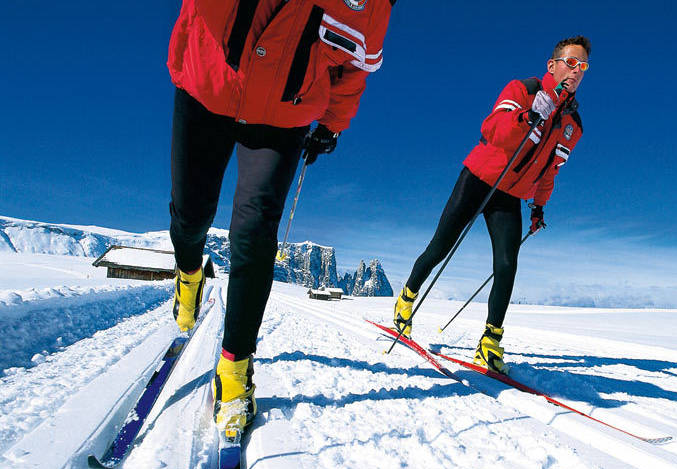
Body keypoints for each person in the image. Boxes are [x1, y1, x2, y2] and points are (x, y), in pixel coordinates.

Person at [167, 0, 395, 434]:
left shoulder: (373, 4)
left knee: (254, 233)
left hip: (282, 116)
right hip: (208, 86)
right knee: (191, 213)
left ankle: (234, 370)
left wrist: (331, 124)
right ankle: (189, 272)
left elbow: (353, 70)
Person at [394, 36, 590, 374]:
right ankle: (406, 300)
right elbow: (492, 129)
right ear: (552, 65)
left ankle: (489, 342)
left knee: (507, 263)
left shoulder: (573, 126)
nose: (576, 70)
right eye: (571, 62)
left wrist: (538, 208)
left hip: (510, 195)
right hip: (479, 178)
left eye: (583, 66)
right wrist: (528, 117)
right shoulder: (522, 90)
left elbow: (548, 172)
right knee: (441, 246)